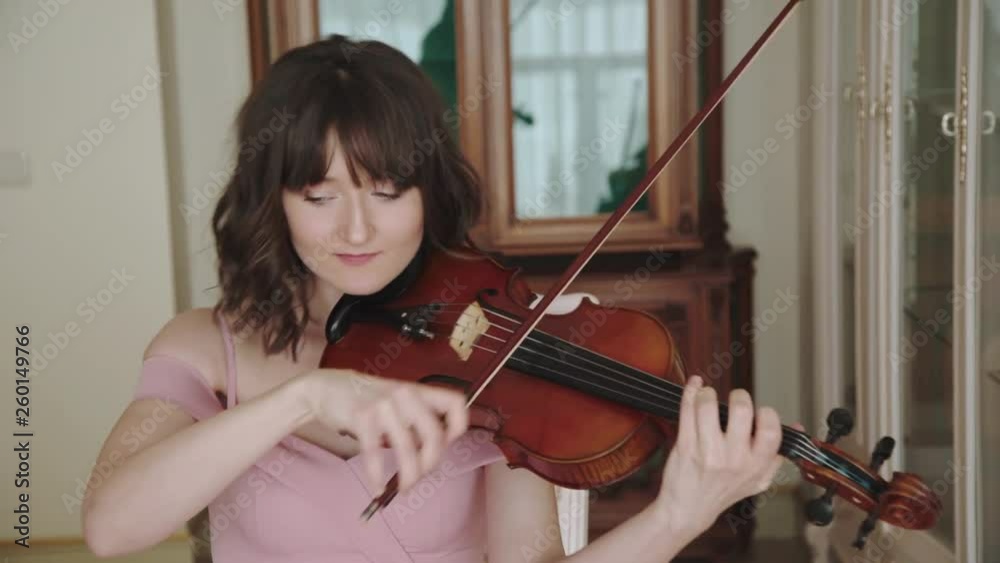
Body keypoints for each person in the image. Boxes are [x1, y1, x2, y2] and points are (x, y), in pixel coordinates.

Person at [81, 34, 786, 563]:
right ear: (274, 203)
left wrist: (677, 517)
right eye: (320, 197)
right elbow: (110, 528)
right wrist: (303, 398)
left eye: (388, 192)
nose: (357, 230)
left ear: (429, 195)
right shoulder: (207, 348)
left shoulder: (493, 359)